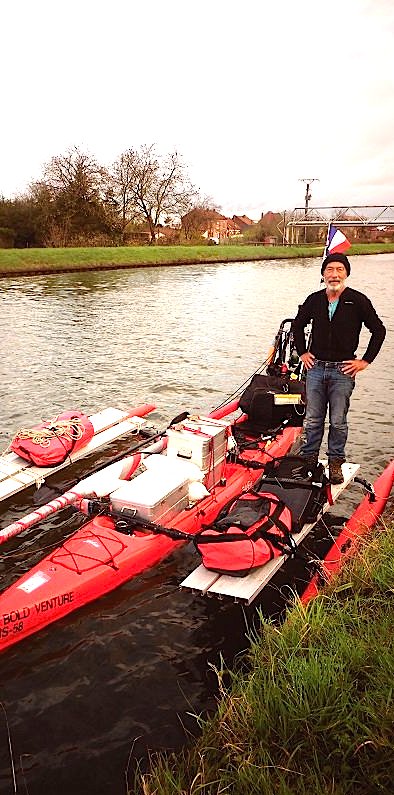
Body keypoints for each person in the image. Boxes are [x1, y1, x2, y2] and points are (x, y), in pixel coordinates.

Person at [292, 252, 386, 484]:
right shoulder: (314, 299)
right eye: (330, 270)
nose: (334, 274)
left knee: (338, 421)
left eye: (339, 270)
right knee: (313, 418)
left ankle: (335, 463)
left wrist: (365, 361)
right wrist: (303, 352)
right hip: (315, 368)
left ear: (346, 273)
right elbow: (297, 324)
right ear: (323, 274)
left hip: (343, 371)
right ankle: (309, 460)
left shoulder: (358, 300)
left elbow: (379, 330)